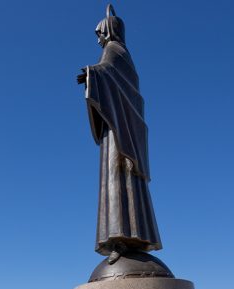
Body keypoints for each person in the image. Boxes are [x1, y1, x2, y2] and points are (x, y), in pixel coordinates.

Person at [77, 5, 161, 263]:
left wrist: (92, 73)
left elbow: (109, 75)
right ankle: (123, 236)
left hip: (120, 132)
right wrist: (94, 75)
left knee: (119, 178)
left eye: (100, 32)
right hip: (115, 128)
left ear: (110, 30)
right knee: (115, 181)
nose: (98, 38)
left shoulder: (115, 51)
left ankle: (123, 236)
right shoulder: (118, 53)